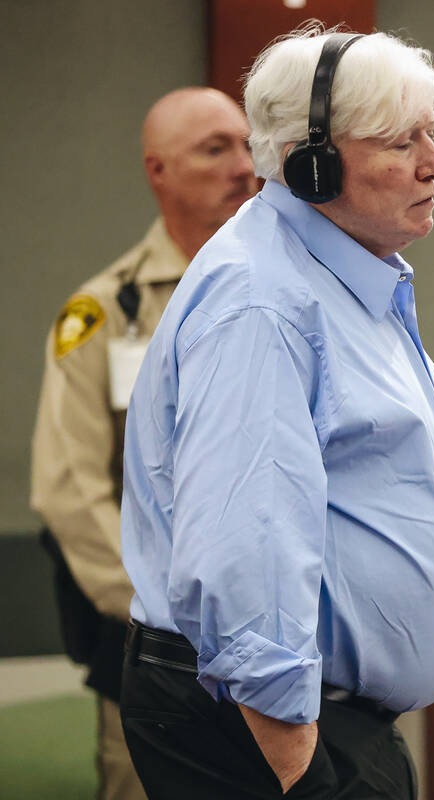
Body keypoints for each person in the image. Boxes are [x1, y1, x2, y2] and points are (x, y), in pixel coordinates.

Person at [118, 27, 434, 800]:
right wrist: (300, 772)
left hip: (318, 724)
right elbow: (243, 557)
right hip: (267, 734)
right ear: (309, 163)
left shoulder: (340, 279)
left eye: (432, 133)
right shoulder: (264, 302)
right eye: (400, 141)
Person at [30, 87, 255, 800]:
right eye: (215, 149)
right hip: (157, 645)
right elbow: (69, 488)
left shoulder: (295, 294)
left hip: (282, 639)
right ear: (158, 171)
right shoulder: (101, 313)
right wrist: (163, 617)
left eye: (249, 145)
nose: (244, 166)